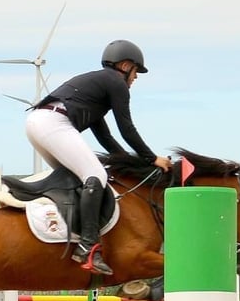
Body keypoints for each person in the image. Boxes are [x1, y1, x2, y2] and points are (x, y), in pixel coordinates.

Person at [25, 39, 172, 275]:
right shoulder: (116, 83)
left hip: (38, 123)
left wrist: (129, 163)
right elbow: (127, 128)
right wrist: (151, 158)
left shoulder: (95, 91)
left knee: (76, 180)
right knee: (95, 174)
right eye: (136, 72)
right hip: (54, 123)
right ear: (125, 66)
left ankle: (64, 233)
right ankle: (87, 246)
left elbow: (106, 137)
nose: (135, 78)